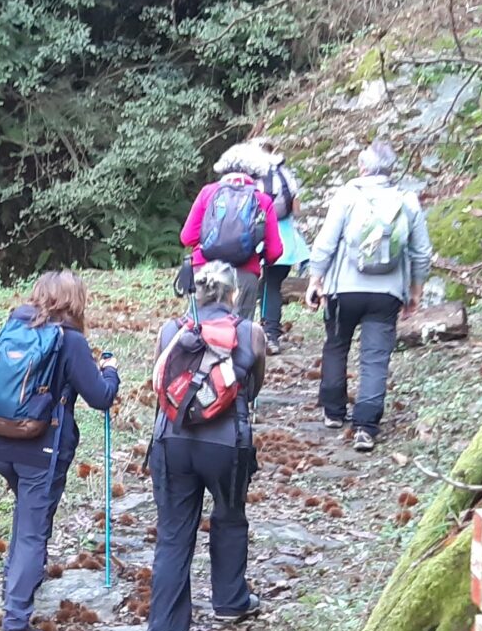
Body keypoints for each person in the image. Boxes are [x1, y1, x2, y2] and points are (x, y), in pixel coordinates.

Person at [0, 272, 121, 631]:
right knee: (33, 530)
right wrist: (110, 370)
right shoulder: (69, 340)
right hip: (41, 448)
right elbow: (101, 398)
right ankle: (16, 626)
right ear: (75, 302)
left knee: (27, 514)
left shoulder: (13, 325)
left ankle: (18, 583)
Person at [145, 262, 267, 631]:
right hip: (227, 442)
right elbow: (254, 386)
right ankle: (231, 601)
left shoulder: (170, 331)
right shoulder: (250, 333)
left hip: (172, 438)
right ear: (234, 294)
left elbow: (160, 382)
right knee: (230, 516)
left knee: (173, 532)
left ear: (194, 294)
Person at [303, 142, 433, 453]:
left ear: (362, 168)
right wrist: (415, 290)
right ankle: (366, 426)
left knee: (336, 345)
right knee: (375, 357)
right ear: (391, 169)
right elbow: (421, 252)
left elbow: (325, 243)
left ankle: (334, 412)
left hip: (342, 290)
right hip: (386, 293)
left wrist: (314, 280)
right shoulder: (407, 201)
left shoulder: (347, 196)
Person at [215, 137, 304, 337]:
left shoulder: (246, 176)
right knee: (272, 287)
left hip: (239, 238)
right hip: (284, 236)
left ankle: (224, 333)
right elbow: (296, 208)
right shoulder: (285, 174)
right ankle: (270, 334)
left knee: (232, 285)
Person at [178, 152, 286, 305]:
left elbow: (187, 237)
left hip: (204, 270)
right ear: (255, 174)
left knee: (202, 325)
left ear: (223, 171)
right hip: (245, 274)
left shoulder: (208, 192)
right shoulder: (262, 200)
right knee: (239, 327)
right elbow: (275, 250)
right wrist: (259, 258)